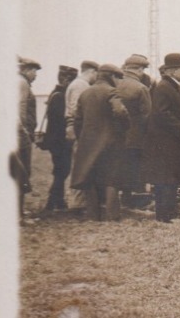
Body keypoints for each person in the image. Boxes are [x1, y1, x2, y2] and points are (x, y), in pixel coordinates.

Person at [143, 53, 180, 223]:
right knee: (166, 179)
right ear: (172, 71)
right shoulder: (164, 87)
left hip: (171, 142)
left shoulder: (171, 86)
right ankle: (166, 215)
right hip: (165, 143)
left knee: (170, 178)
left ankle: (168, 214)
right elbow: (162, 113)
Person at [70, 63, 129, 221]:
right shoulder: (111, 91)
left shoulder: (86, 93)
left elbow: (77, 120)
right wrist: (123, 129)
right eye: (118, 78)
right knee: (111, 177)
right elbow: (120, 111)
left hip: (88, 141)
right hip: (111, 142)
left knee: (90, 177)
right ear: (112, 76)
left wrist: (83, 136)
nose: (119, 82)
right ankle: (112, 215)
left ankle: (92, 214)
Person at [116, 54, 153, 210]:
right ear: (139, 70)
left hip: (117, 137)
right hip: (137, 138)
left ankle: (123, 197)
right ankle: (137, 201)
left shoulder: (115, 84)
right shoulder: (141, 88)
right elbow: (147, 116)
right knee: (136, 169)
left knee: (121, 167)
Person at [39, 65, 77, 213]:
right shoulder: (61, 96)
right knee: (62, 170)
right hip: (59, 141)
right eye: (71, 80)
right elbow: (61, 121)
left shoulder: (55, 94)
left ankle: (58, 201)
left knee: (60, 170)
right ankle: (51, 202)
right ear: (65, 79)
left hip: (55, 141)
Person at [63, 60, 98, 213]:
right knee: (80, 165)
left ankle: (77, 201)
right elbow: (75, 109)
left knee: (79, 164)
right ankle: (76, 202)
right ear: (92, 71)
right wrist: (72, 126)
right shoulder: (80, 85)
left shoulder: (78, 84)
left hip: (79, 130)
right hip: (81, 131)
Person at [16, 57, 41, 218]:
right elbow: (21, 109)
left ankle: (18, 212)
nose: (35, 75)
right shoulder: (22, 83)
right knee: (22, 173)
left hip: (19, 135)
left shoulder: (18, 82)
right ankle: (18, 215)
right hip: (20, 137)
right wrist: (24, 132)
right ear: (26, 70)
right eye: (34, 71)